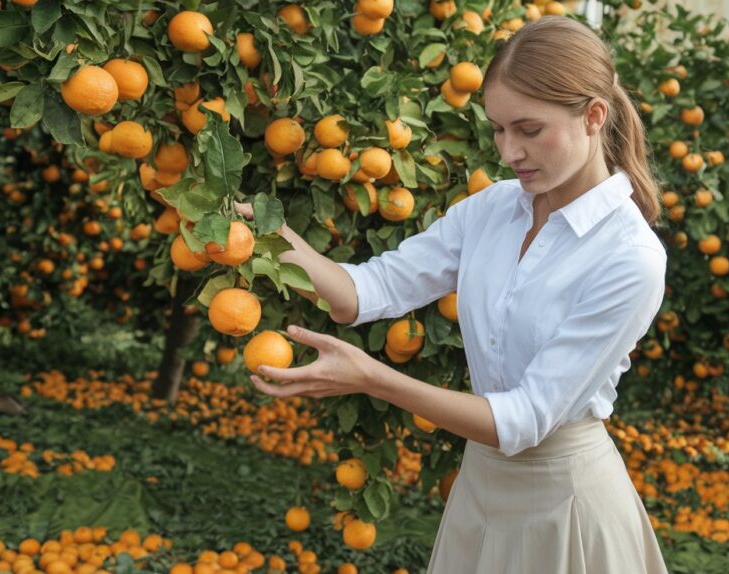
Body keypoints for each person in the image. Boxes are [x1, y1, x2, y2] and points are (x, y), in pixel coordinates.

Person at [249, 15, 669, 574]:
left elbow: (523, 420)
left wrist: (372, 377)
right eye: (498, 130)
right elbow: (365, 291)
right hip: (480, 486)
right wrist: (269, 235)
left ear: (594, 116)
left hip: (565, 503)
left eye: (528, 129)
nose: (509, 151)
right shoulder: (494, 209)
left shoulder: (629, 256)